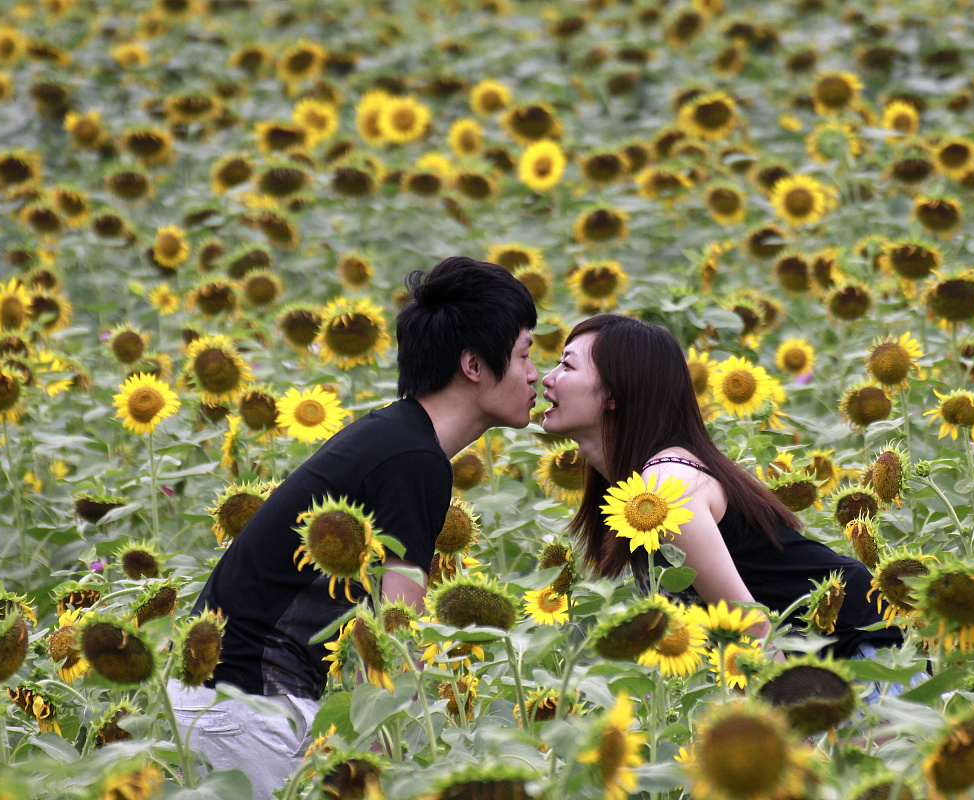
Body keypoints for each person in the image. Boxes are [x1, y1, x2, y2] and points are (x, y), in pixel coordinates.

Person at [168, 256, 539, 800]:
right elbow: (393, 637)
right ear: (474, 364)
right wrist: (391, 768)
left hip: (230, 696)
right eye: (526, 353)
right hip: (252, 701)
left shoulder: (395, 437)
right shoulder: (414, 459)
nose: (536, 374)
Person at [540, 314, 902, 658]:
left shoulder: (666, 485)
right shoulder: (635, 484)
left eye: (567, 366)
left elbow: (754, 630)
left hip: (860, 652)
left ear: (614, 394)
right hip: (825, 650)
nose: (547, 378)